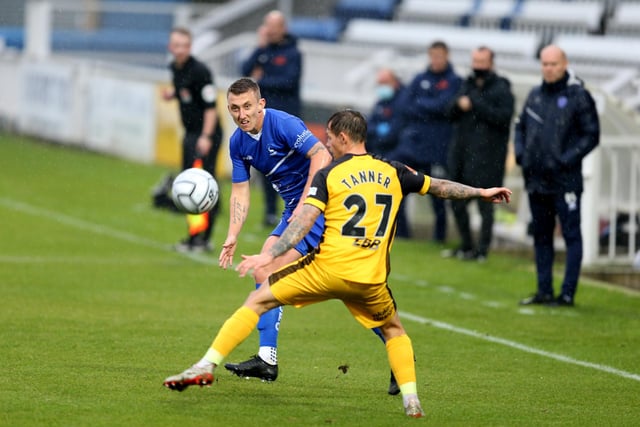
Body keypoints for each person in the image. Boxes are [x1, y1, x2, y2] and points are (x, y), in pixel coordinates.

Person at [163, 109, 513, 418]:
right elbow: (439, 186)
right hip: (371, 280)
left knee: (258, 298)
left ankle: (206, 363)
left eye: (329, 138)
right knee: (395, 331)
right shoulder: (394, 171)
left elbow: (302, 222)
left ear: (343, 137)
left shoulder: (329, 175)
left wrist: (269, 254)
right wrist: (481, 192)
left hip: (325, 271)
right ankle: (412, 401)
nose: (326, 145)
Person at [215, 77, 331, 381]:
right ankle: (267, 360)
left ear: (261, 104)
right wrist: (232, 234)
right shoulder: (237, 143)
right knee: (262, 271)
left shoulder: (283, 124)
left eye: (247, 106)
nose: (241, 114)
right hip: (294, 211)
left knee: (351, 287)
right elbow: (240, 191)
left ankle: (396, 346)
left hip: (319, 209)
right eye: (234, 108)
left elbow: (322, 155)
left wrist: (309, 201)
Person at [515, 45, 600, 307]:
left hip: (565, 181)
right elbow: (520, 128)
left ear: (564, 64)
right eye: (544, 64)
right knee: (541, 235)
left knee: (571, 234)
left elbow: (591, 135)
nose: (548, 69)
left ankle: (567, 294)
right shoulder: (535, 95)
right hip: (537, 179)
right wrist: (521, 155)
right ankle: (544, 290)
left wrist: (565, 160)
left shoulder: (578, 96)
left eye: (553, 64)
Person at [444, 46, 515, 261]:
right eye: (475, 61)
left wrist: (475, 103)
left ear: (491, 63)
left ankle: (482, 250)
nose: (478, 66)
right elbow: (449, 112)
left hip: (489, 159)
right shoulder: (466, 84)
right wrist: (459, 104)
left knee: (486, 205)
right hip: (462, 156)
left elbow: (503, 117)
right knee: (456, 201)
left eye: (482, 61)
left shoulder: (501, 88)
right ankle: (467, 245)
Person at [387, 40, 462, 242]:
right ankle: (402, 233)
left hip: (438, 148)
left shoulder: (454, 81)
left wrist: (422, 105)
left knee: (438, 194)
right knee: (398, 185)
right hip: (414, 147)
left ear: (447, 56)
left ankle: (439, 238)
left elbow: (444, 106)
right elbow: (404, 104)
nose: (436, 60)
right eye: (433, 56)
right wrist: (429, 107)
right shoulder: (420, 78)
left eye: (440, 56)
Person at [241, 10, 303, 227]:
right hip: (265, 118)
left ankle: (295, 209)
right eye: (267, 26)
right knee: (267, 164)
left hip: (286, 118)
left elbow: (288, 82)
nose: (270, 30)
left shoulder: (293, 53)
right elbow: (245, 70)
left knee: (290, 165)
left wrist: (263, 81)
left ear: (282, 28)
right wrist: (260, 46)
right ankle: (269, 212)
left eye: (274, 26)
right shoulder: (264, 51)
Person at [164, 27, 223, 252]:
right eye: (176, 45)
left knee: (203, 185)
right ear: (171, 47)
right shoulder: (175, 68)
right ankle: (193, 236)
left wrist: (206, 137)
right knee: (187, 185)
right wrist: (174, 94)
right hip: (190, 134)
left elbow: (210, 108)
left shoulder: (201, 71)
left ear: (190, 47)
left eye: (184, 46)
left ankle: (203, 238)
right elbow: (186, 92)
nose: (180, 50)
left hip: (205, 134)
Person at [366, 68, 410, 237]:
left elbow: (394, 131)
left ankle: (401, 232)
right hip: (380, 152)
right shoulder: (381, 102)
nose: (381, 87)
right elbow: (370, 127)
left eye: (384, 83)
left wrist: (381, 132)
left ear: (394, 82)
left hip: (398, 153)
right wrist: (379, 131)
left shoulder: (403, 101)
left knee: (396, 194)